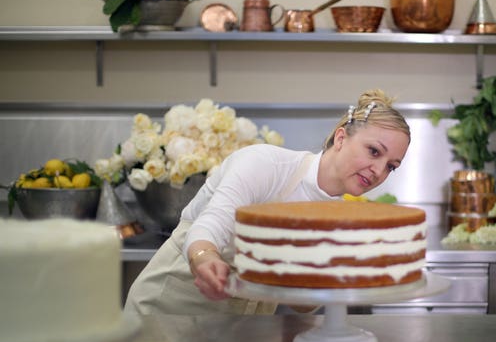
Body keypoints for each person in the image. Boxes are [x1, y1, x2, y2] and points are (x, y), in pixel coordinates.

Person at [124, 89, 412, 317]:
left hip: (240, 333)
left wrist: (335, 280)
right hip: (168, 311)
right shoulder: (266, 165)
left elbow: (300, 305)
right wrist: (205, 259)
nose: (379, 171)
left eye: (391, 166)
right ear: (340, 138)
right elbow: (209, 225)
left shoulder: (339, 220)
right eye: (374, 151)